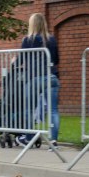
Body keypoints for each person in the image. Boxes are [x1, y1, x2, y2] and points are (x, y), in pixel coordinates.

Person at [18, 12, 59, 145]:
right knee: (53, 110)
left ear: (32, 24)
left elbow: (21, 59)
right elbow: (56, 59)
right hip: (51, 76)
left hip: (35, 78)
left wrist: (14, 63)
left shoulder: (28, 39)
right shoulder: (51, 39)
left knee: (29, 109)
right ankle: (53, 140)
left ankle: (29, 138)